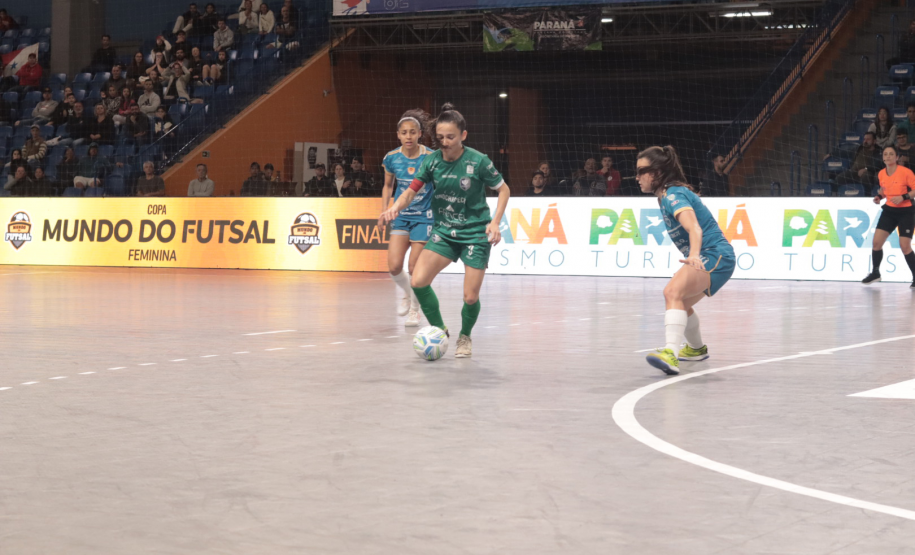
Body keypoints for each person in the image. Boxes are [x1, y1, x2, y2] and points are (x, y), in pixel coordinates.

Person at [379, 103, 511, 358]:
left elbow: (503, 189)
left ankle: (465, 337)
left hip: (474, 234)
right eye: (440, 138)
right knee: (418, 281)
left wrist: (494, 223)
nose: (445, 142)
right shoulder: (432, 162)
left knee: (470, 297)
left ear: (463, 135)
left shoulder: (478, 161)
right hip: (444, 232)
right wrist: (394, 207)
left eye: (450, 137)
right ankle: (440, 330)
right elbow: (409, 192)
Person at [636, 145, 735, 376]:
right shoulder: (666, 195)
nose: (637, 177)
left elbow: (695, 228)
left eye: (642, 171)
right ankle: (696, 349)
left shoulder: (673, 194)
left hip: (714, 254)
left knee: (672, 293)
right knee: (682, 303)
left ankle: (671, 353)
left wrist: (693, 255)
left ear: (658, 172)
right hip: (719, 257)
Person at [379, 109, 434, 327]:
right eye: (404, 133)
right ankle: (407, 291)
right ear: (398, 135)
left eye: (412, 132)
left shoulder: (430, 157)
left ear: (420, 134)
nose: (408, 136)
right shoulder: (391, 158)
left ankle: (414, 310)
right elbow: (388, 185)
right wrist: (384, 211)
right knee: (394, 266)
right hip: (401, 216)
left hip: (425, 217)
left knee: (414, 268)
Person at [861, 145, 915, 287]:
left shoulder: (906, 172)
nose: (888, 156)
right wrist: (879, 196)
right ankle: (876, 273)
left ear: (897, 157)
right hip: (889, 211)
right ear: (883, 157)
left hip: (906, 211)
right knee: (876, 243)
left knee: (904, 246)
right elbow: (884, 190)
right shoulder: (881, 173)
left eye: (891, 154)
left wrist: (903, 197)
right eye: (885, 154)